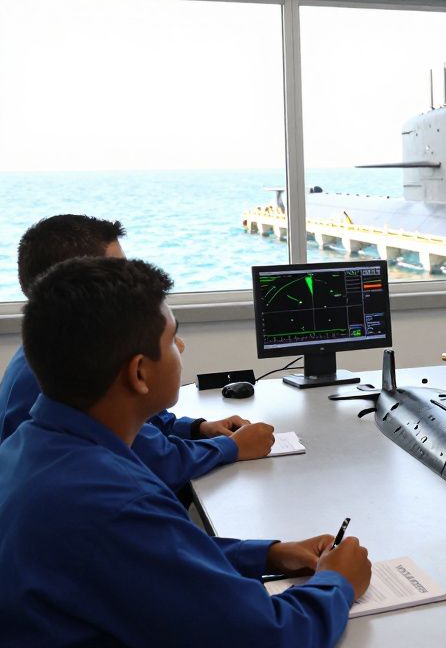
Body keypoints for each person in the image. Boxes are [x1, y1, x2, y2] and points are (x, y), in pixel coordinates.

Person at [0, 257, 372, 645]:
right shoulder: (112, 502)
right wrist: (337, 583)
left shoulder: (31, 447)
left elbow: (157, 558)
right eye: (172, 338)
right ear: (139, 373)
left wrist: (269, 555)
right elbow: (267, 636)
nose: (181, 346)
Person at [0, 214, 274, 491]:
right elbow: (158, 460)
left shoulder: (53, 347)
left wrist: (197, 429)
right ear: (79, 283)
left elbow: (143, 429)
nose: (131, 280)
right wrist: (230, 447)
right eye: (116, 271)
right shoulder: (60, 369)